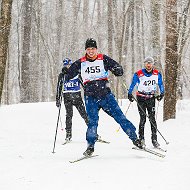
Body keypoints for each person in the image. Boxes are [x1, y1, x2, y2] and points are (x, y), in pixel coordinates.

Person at [62, 38, 142, 156]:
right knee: (92, 122)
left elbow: (117, 67)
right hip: (91, 97)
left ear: (96, 49)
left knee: (120, 117)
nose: (91, 51)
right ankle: (90, 146)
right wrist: (65, 72)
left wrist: (117, 69)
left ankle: (135, 139)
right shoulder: (80, 62)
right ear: (86, 50)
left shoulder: (103, 58)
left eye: (93, 49)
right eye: (88, 49)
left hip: (106, 96)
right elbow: (69, 75)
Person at [128, 56, 164, 148]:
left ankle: (154, 139)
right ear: (144, 64)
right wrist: (129, 93)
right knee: (143, 119)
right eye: (147, 63)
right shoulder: (139, 74)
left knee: (152, 119)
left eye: (150, 63)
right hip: (141, 98)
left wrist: (162, 93)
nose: (148, 65)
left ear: (152, 64)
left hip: (151, 98)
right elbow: (133, 84)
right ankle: (141, 139)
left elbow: (160, 84)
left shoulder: (157, 74)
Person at [56, 58, 89, 142]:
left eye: (70, 65)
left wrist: (89, 93)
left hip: (77, 97)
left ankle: (93, 132)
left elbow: (84, 85)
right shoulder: (62, 75)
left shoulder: (77, 73)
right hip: (67, 98)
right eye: (66, 65)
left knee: (84, 114)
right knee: (69, 116)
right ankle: (68, 135)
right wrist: (58, 99)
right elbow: (59, 88)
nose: (68, 67)